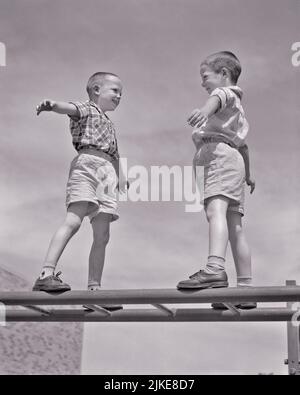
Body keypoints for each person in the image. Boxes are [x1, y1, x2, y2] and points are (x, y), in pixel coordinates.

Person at [33, 72, 127, 310]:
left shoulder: (110, 123)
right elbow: (68, 108)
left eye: (121, 93)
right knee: (74, 221)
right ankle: (46, 273)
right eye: (115, 90)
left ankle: (94, 289)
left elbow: (114, 154)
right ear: (96, 90)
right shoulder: (86, 108)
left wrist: (121, 177)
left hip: (107, 172)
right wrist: (52, 105)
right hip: (86, 165)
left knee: (103, 235)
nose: (119, 96)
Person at [177, 51, 256, 309]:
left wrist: (203, 111)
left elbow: (216, 97)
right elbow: (243, 147)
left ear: (223, 74)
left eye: (205, 76)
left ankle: (214, 269)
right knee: (235, 226)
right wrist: (249, 174)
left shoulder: (225, 94)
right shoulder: (236, 111)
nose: (203, 83)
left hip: (218, 159)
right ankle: (245, 290)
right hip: (233, 161)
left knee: (216, 211)